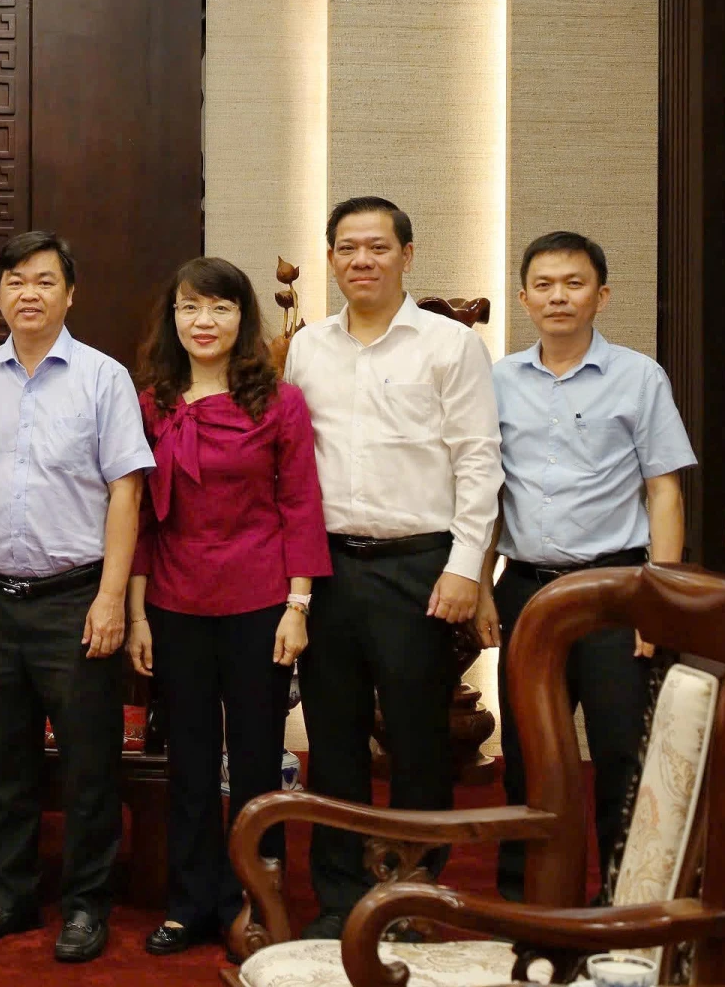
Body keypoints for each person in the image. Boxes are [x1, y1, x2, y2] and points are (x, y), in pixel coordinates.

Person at [284, 196, 502, 938]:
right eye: (347, 248)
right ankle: (339, 897)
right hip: (329, 568)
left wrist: (465, 567)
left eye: (378, 247)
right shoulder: (309, 347)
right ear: (331, 259)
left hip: (419, 567)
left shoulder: (450, 345)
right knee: (333, 738)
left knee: (418, 740)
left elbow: (478, 461)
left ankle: (414, 893)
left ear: (407, 255)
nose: (362, 261)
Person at [0, 230, 152, 964]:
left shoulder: (103, 378)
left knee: (89, 764)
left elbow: (127, 491)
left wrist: (112, 599)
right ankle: (9, 895)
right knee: (0, 760)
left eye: (43, 281)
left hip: (76, 599)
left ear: (70, 293)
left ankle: (87, 905)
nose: (27, 294)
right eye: (14, 281)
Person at [482, 231, 695, 902]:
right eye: (543, 285)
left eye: (574, 284)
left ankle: (624, 900)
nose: (558, 297)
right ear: (523, 298)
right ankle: (527, 900)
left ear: (601, 295)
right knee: (528, 757)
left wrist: (660, 600)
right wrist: (482, 584)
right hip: (526, 589)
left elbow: (665, 491)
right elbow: (487, 492)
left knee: (620, 752)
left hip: (616, 591)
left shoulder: (639, 376)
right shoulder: (498, 381)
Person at [127, 256, 329, 955]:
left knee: (255, 759)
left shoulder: (279, 401)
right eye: (189, 307)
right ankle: (189, 903)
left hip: (260, 601)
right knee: (185, 759)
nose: (203, 321)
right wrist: (137, 614)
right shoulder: (151, 403)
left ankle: (256, 900)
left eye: (219, 307)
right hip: (175, 601)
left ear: (242, 318)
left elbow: (300, 503)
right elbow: (138, 517)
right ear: (173, 318)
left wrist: (298, 605)